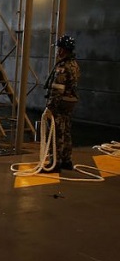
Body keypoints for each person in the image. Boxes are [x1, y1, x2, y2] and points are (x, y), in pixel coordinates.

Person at [43, 34, 80, 172]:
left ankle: (55, 163)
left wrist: (50, 107)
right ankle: (66, 160)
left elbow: (58, 89)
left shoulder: (63, 67)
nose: (58, 51)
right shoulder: (75, 65)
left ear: (63, 50)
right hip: (69, 104)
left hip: (59, 104)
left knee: (55, 132)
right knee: (66, 132)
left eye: (59, 49)